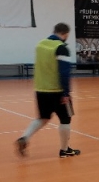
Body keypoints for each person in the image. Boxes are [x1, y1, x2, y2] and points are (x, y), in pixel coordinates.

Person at [15, 23, 80, 158]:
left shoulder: (40, 45)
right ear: (66, 34)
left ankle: (25, 137)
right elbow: (64, 72)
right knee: (65, 119)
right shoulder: (61, 48)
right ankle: (64, 150)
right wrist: (66, 93)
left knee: (43, 118)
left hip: (40, 89)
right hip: (57, 90)